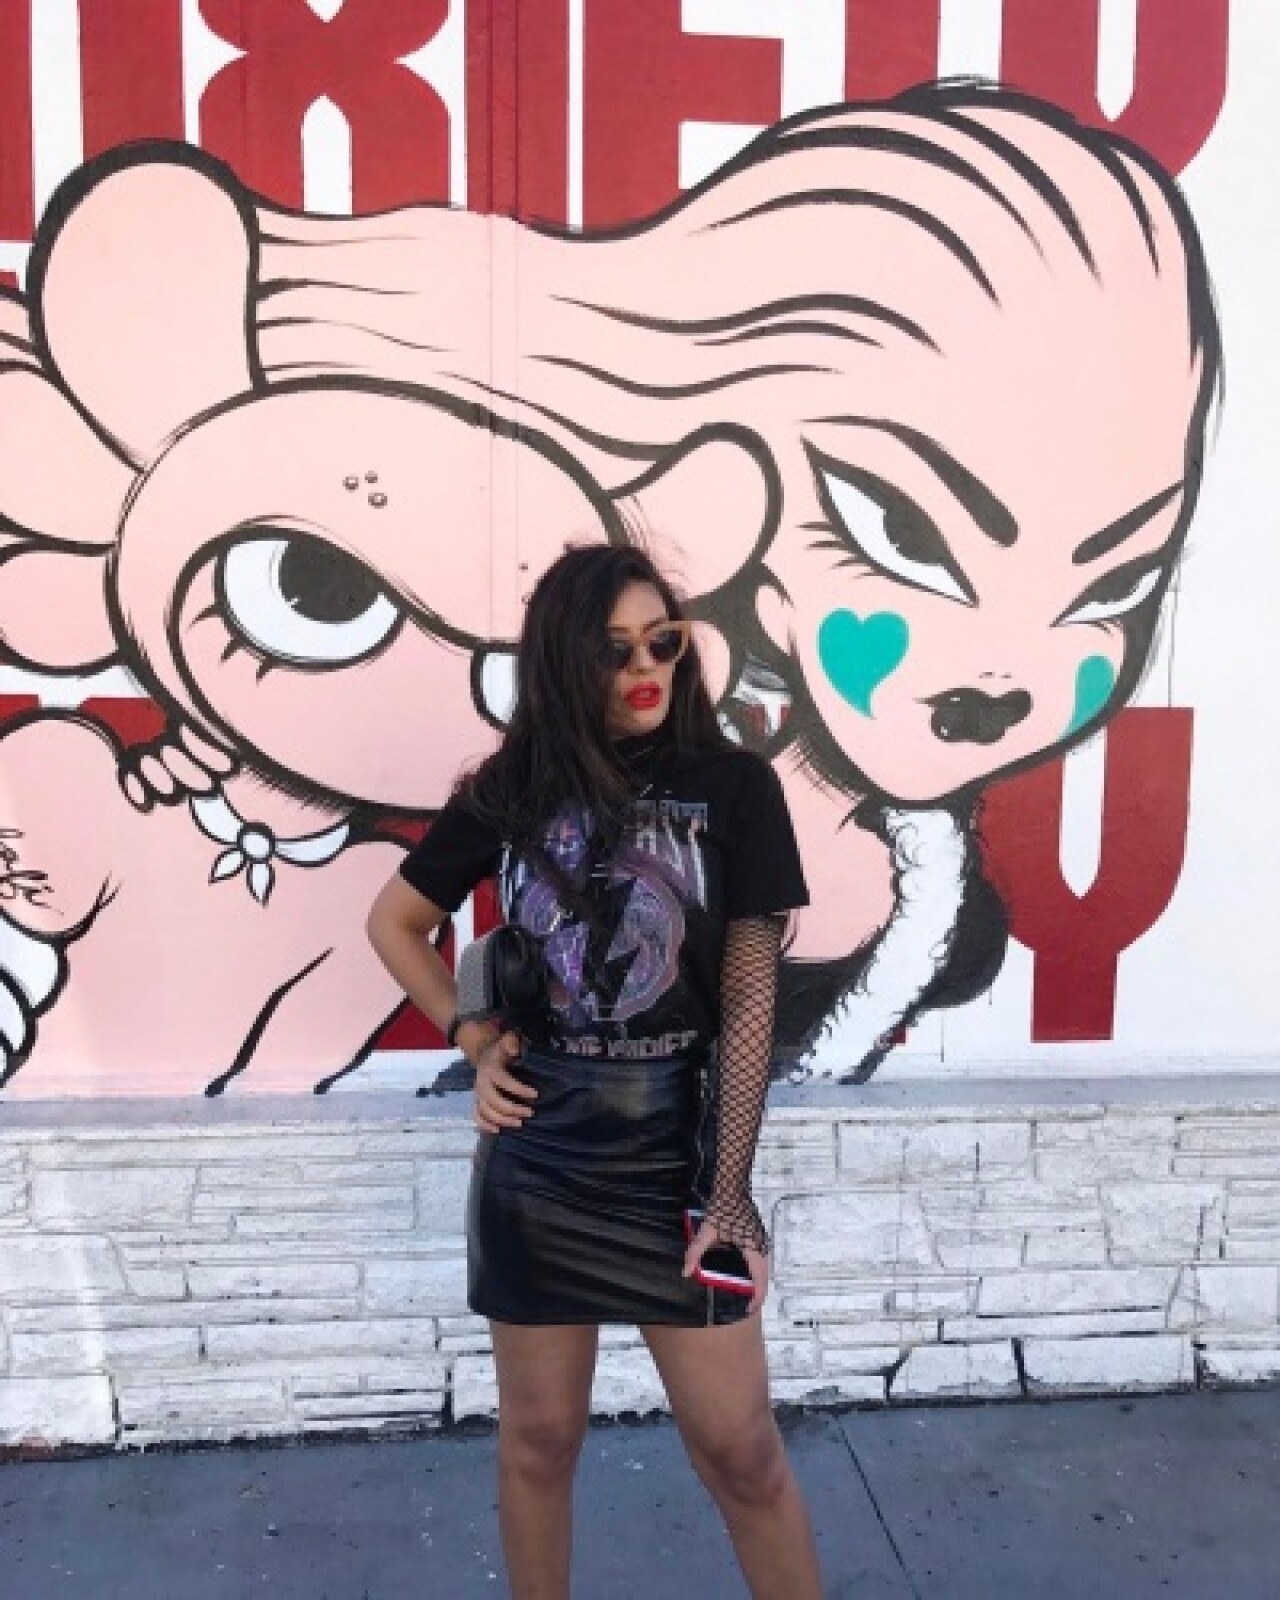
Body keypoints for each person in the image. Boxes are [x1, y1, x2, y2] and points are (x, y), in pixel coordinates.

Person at [367, 544, 821, 1598]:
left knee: (744, 1454)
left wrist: (728, 1192)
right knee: (538, 1444)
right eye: (615, 650)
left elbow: (749, 1001)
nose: (645, 668)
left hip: (677, 1153)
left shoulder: (733, 786)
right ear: (566, 660)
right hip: (539, 1155)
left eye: (663, 641)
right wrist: (473, 1037)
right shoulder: (512, 790)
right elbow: (396, 922)